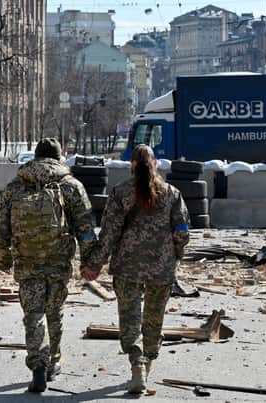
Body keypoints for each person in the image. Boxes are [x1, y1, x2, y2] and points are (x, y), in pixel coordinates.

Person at [82, 144, 190, 394]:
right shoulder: (172, 193)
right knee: (153, 320)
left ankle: (137, 366)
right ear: (155, 164)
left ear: (131, 165)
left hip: (127, 267)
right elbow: (182, 231)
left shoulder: (120, 193)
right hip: (161, 270)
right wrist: (176, 256)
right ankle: (147, 366)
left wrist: (94, 265)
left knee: (130, 319)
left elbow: (109, 234)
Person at [0, 138, 96, 393]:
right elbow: (85, 230)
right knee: (54, 312)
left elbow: (0, 228)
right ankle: (53, 362)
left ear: (35, 157)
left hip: (27, 261)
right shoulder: (70, 186)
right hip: (58, 261)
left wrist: (3, 259)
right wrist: (89, 262)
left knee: (33, 314)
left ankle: (38, 367)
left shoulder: (15, 186)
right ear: (59, 158)